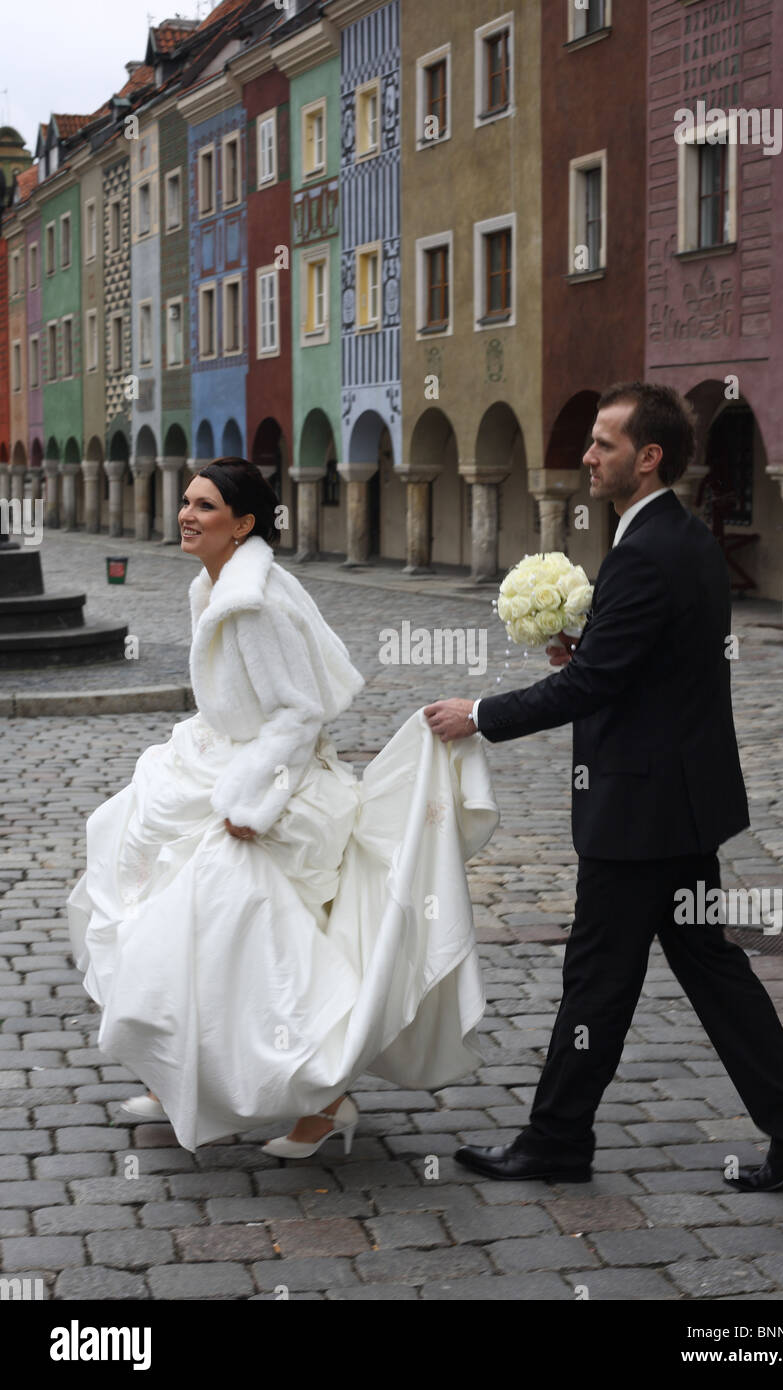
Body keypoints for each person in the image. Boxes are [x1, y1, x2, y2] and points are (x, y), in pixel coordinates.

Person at [423, 382, 783, 1192]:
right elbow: (643, 662)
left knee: (599, 975)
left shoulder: (646, 548)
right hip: (679, 802)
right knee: (705, 968)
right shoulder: (678, 538)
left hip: (642, 809)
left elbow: (594, 689)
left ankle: (556, 1140)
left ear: (647, 457)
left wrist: (477, 713)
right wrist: (590, 646)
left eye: (603, 444)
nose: (587, 456)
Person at [67, 458, 499, 1154]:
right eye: (186, 502)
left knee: (233, 928)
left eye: (204, 507)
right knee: (138, 884)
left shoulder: (254, 601)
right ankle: (183, 1073)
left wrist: (250, 801)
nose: (186, 515)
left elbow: (297, 717)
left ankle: (325, 1097)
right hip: (217, 763)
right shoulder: (209, 587)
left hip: (279, 785)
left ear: (241, 525)